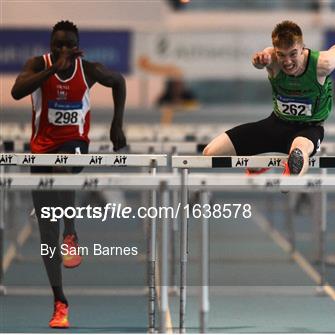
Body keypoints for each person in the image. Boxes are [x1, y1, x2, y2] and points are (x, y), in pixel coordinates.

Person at [11, 20, 126, 328]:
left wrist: (117, 124)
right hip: (40, 153)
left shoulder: (88, 70)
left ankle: (71, 232)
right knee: (47, 233)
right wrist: (51, 70)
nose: (62, 50)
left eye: (68, 45)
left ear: (77, 46)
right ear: (50, 47)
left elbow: (118, 82)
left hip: (76, 147)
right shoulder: (38, 65)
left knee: (62, 165)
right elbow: (16, 92)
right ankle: (60, 302)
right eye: (57, 46)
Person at [202, 20, 335, 176]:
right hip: (275, 124)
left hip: (308, 129)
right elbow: (261, 62)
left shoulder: (323, 64)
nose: (287, 62)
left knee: (298, 155)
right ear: (275, 51)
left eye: (293, 54)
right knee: (210, 153)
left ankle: (289, 167)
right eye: (281, 55)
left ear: (302, 48)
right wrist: (259, 62)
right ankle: (262, 160)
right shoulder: (271, 58)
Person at [137, 55, 199, 124]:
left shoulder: (188, 95)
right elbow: (157, 108)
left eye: (179, 84)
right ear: (171, 85)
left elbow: (195, 109)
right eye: (175, 85)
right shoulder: (165, 97)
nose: (177, 87)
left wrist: (182, 104)